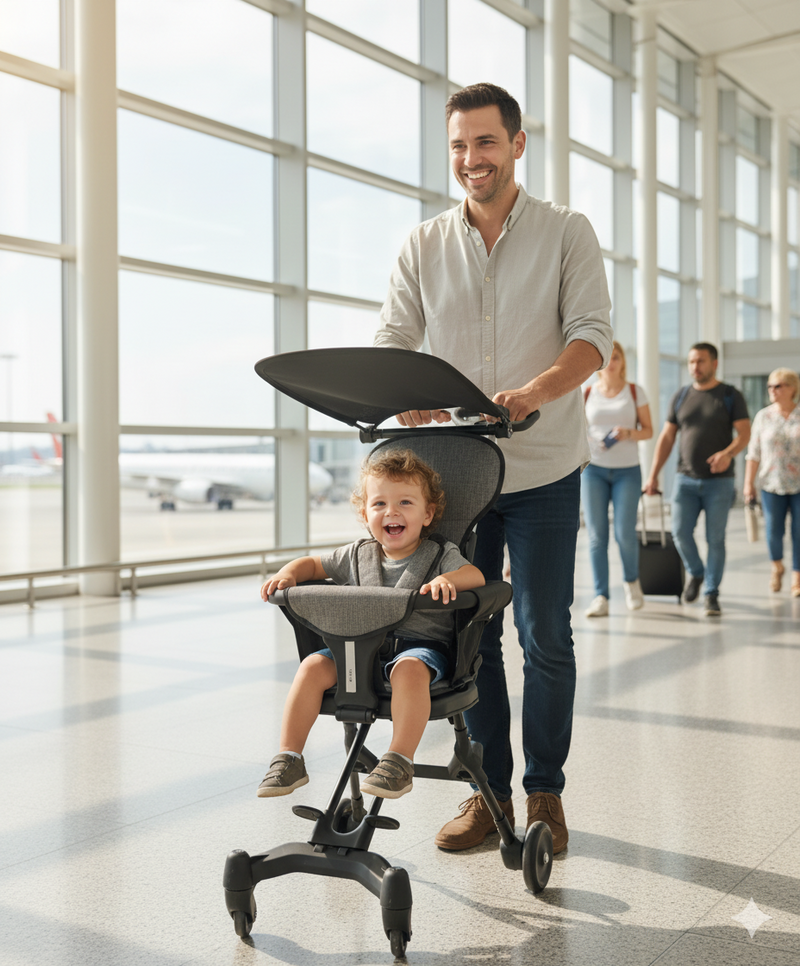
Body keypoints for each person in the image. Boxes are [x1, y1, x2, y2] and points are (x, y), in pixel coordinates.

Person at [373, 82, 613, 854]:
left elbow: (590, 337)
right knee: (467, 632)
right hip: (458, 475)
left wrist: (536, 392)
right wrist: (397, 388)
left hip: (543, 468)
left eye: (484, 142)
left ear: (515, 145)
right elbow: (393, 335)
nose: (470, 158)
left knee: (546, 633)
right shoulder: (422, 244)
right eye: (458, 146)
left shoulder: (566, 231)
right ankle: (487, 794)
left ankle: (544, 792)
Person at [256, 449, 485, 801]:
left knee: (409, 670)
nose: (391, 512)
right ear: (365, 514)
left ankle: (399, 759)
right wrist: (288, 573)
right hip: (358, 652)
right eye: (379, 504)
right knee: (312, 665)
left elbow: (476, 575)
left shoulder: (441, 554)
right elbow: (311, 565)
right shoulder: (355, 554)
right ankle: (290, 756)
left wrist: (450, 580)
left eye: (405, 503)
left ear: (428, 514)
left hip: (420, 650)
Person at [643, 343, 750, 617]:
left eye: (700, 361)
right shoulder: (681, 396)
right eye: (691, 361)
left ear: (714, 364)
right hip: (685, 481)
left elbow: (745, 435)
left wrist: (728, 454)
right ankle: (697, 572)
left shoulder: (730, 395)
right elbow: (667, 438)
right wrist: (653, 474)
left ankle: (711, 593)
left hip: (720, 482)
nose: (695, 366)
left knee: (716, 539)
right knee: (679, 532)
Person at [582, 341, 653, 617]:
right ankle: (601, 596)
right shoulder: (587, 392)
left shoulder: (635, 392)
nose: (612, 361)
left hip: (627, 470)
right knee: (597, 536)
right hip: (594, 471)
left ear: (623, 361)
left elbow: (648, 430)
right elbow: (578, 430)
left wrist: (629, 433)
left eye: (617, 357)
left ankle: (632, 583)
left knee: (624, 533)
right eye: (607, 357)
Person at [743, 368, 800, 596]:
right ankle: (777, 566)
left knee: (799, 532)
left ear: (792, 388)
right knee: (773, 532)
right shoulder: (763, 416)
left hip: (799, 485)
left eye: (778, 386)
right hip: (771, 484)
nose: (772, 390)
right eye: (770, 386)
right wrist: (748, 484)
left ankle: (797, 577)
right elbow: (753, 453)